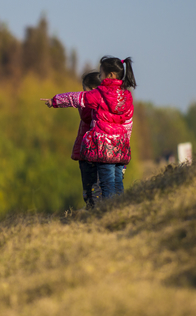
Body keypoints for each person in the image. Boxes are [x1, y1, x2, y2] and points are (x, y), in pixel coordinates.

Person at [43, 56, 135, 199]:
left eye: (101, 73)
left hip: (104, 149)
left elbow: (75, 98)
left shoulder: (99, 94)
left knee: (107, 185)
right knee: (118, 185)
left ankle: (109, 214)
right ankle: (121, 211)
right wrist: (125, 143)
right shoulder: (127, 96)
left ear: (110, 75)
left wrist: (54, 101)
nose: (100, 77)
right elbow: (128, 124)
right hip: (121, 147)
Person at [75, 71, 103, 208]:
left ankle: (95, 209)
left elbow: (86, 116)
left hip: (91, 151)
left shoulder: (92, 104)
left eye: (84, 90)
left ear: (92, 90)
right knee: (89, 187)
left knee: (94, 186)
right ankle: (91, 207)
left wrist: (83, 103)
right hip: (86, 151)